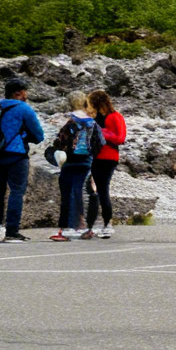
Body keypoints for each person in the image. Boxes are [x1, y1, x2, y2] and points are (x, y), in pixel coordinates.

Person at [0, 78, 45, 243]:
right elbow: (39, 135)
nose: (26, 94)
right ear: (19, 92)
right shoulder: (23, 108)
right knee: (16, 192)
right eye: (25, 91)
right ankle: (12, 231)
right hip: (16, 154)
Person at [47, 92, 101, 241]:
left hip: (70, 163)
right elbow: (100, 144)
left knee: (68, 195)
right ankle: (86, 227)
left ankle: (68, 229)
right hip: (87, 163)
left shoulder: (70, 123)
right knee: (84, 193)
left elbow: (60, 143)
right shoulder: (93, 123)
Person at [85, 89, 127, 239]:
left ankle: (106, 224)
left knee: (103, 190)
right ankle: (96, 224)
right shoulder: (97, 117)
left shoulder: (115, 117)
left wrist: (102, 132)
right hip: (96, 157)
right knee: (95, 190)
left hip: (108, 157)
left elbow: (120, 138)